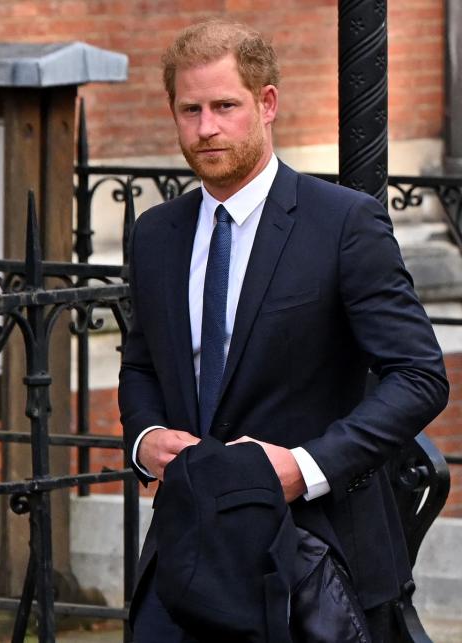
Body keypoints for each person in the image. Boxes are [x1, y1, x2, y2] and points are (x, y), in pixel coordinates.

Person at [119, 19, 449, 643]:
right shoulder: (156, 235)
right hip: (186, 553)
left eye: (225, 106)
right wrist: (145, 437)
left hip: (314, 558)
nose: (207, 128)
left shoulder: (343, 223)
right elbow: (141, 364)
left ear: (266, 104)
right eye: (190, 110)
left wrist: (307, 466)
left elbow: (419, 376)